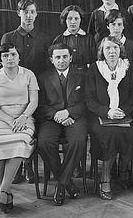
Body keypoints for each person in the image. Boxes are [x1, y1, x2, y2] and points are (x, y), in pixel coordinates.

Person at [1, 0, 51, 184]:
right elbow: (4, 66)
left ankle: (28, 165)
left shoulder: (44, 38)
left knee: (33, 129)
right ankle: (15, 165)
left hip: (37, 92)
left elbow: (48, 68)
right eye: (25, 12)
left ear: (36, 14)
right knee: (15, 127)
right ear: (18, 13)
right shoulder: (9, 37)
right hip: (15, 93)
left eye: (32, 12)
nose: (29, 15)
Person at [0, 43, 39, 213]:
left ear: (19, 57)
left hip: (24, 117)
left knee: (20, 141)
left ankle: (3, 191)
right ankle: (6, 190)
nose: (9, 58)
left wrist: (23, 117)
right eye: (5, 55)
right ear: (0, 59)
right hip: (0, 118)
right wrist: (9, 120)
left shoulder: (28, 74)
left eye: (13, 54)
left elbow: (34, 101)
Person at [85, 36, 133, 200]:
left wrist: (123, 111)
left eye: (115, 47)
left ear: (120, 49)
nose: (112, 51)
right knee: (110, 135)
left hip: (123, 115)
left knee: (132, 133)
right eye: (107, 48)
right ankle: (105, 178)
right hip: (100, 116)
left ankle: (123, 170)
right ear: (102, 51)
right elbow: (89, 99)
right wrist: (107, 112)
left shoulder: (128, 68)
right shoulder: (95, 69)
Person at [36, 43, 88, 206]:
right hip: (52, 119)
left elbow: (88, 102)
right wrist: (57, 114)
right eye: (57, 57)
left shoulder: (82, 75)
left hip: (75, 117)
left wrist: (69, 112)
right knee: (44, 143)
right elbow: (40, 106)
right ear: (51, 59)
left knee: (78, 141)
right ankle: (66, 182)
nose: (61, 60)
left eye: (65, 56)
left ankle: (61, 184)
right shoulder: (43, 77)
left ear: (70, 58)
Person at [52, 5, 96, 70]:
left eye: (76, 18)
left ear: (81, 20)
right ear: (65, 20)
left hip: (86, 75)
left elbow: (94, 61)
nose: (73, 22)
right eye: (70, 18)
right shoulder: (59, 39)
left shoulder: (89, 39)